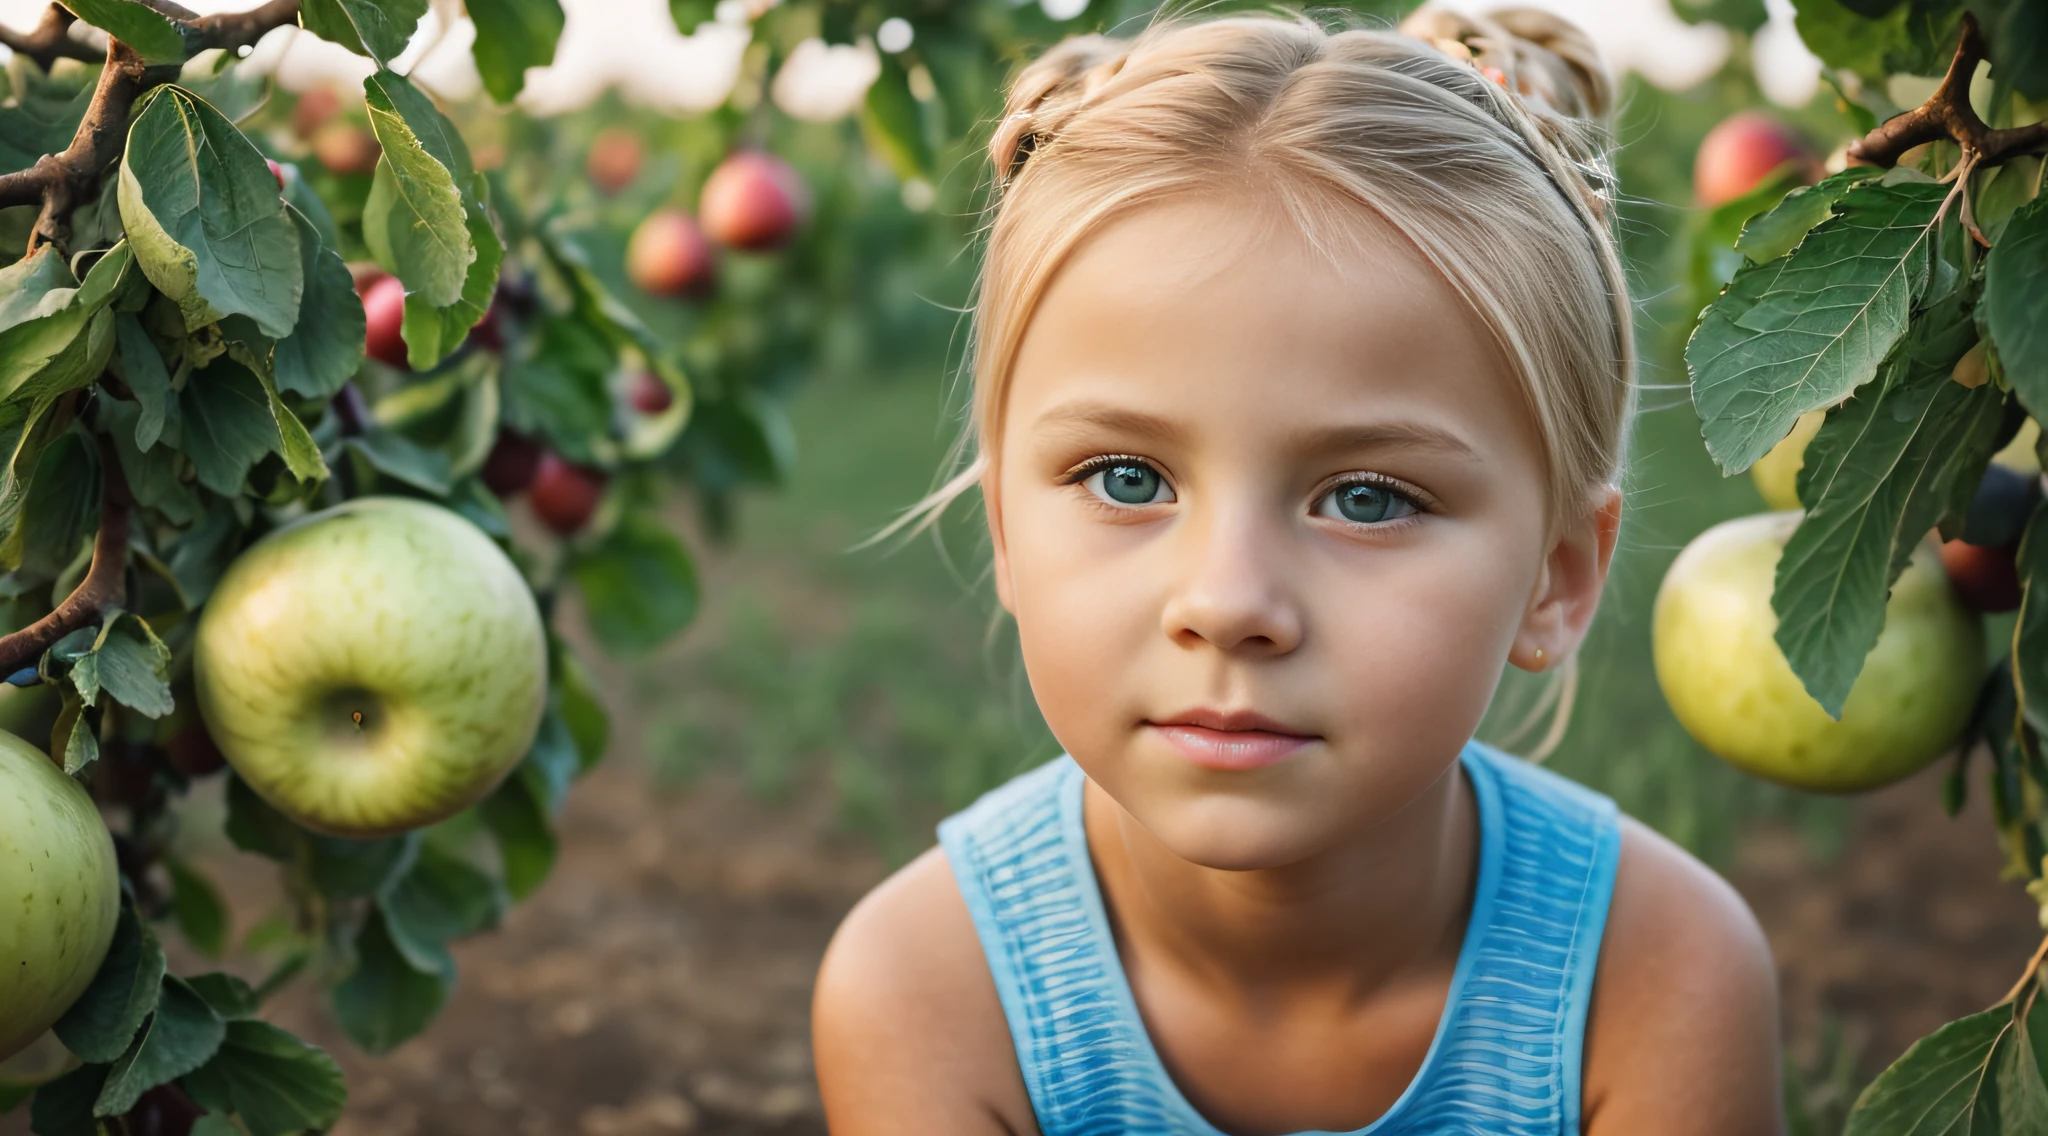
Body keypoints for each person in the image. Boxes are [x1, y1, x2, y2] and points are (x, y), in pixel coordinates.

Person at [811, 5, 1784, 1134]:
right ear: (1004, 534)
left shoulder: (1655, 981)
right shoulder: (929, 990)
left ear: (1554, 577)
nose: (1227, 603)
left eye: (1365, 498)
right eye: (1127, 479)